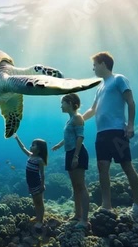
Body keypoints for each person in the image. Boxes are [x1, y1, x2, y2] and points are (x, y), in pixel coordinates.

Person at [82, 51, 138, 217]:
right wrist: (78, 119)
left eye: (95, 65)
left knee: (126, 165)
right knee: (102, 168)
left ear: (103, 64)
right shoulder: (100, 87)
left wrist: (130, 125)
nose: (93, 68)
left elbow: (130, 101)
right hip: (101, 134)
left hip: (117, 131)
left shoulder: (119, 79)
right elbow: (93, 110)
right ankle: (106, 205)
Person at [52, 93, 90, 229]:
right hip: (70, 153)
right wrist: (59, 145)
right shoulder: (70, 120)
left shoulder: (78, 117)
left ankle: (84, 220)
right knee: (75, 187)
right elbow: (69, 136)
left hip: (76, 153)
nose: (61, 105)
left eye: (63, 102)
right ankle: (77, 215)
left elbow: (80, 137)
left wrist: (76, 156)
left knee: (81, 186)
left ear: (70, 103)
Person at [12, 133, 48, 230]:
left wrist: (42, 185)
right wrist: (17, 138)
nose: (30, 146)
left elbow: (42, 174)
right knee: (35, 202)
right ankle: (37, 216)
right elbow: (23, 147)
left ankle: (41, 220)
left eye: (33, 145)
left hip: (37, 184)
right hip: (30, 184)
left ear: (39, 149)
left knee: (39, 202)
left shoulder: (39, 160)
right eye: (31, 144)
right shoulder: (30, 155)